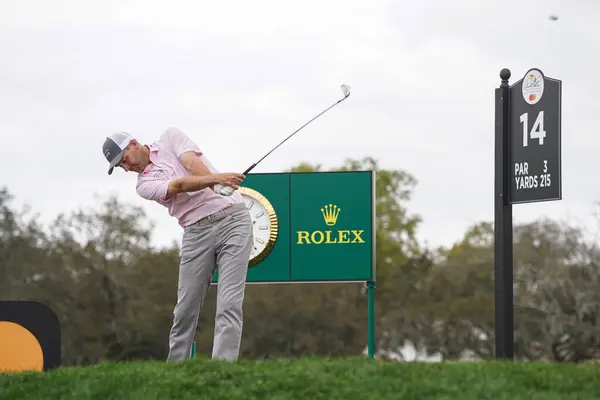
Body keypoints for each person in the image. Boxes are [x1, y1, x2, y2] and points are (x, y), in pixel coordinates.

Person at [101, 127, 253, 362]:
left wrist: (213, 183)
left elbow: (191, 163)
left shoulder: (170, 138)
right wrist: (216, 180)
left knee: (229, 302)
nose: (126, 167)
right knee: (185, 309)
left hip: (234, 221)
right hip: (196, 233)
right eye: (120, 166)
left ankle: (223, 367)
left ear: (133, 144)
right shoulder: (143, 185)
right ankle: (176, 369)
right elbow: (179, 185)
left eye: (124, 160)